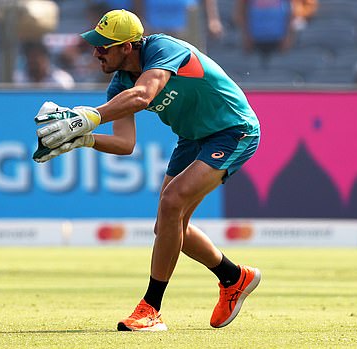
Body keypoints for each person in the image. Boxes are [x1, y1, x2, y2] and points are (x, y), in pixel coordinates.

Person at [33, 9, 261, 331]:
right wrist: (84, 138)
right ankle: (234, 277)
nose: (96, 52)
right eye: (96, 45)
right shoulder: (119, 83)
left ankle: (151, 309)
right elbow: (125, 144)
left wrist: (89, 116)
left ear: (128, 47)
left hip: (233, 130)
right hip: (193, 137)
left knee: (171, 203)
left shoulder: (163, 49)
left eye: (104, 46)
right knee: (168, 224)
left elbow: (144, 95)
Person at [233, 0, 295, 65]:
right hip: (254, 40)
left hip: (279, 40)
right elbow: (240, 13)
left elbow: (292, 14)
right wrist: (246, 35)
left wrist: (287, 36)